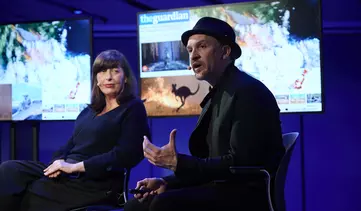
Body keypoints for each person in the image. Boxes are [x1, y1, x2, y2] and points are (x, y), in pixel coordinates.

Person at [123, 17, 285, 211]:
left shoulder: (248, 92)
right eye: (190, 50)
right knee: (135, 206)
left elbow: (240, 164)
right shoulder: (218, 93)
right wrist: (166, 182)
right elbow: (211, 165)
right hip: (222, 187)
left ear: (225, 52)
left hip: (244, 195)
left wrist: (178, 163)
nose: (193, 56)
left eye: (202, 47)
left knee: (163, 204)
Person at [0, 49, 151, 211]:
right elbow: (69, 145)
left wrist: (76, 166)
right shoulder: (89, 111)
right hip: (68, 172)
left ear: (125, 77)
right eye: (102, 71)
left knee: (32, 191)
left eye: (115, 71)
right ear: (96, 79)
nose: (108, 77)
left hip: (96, 182)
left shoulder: (133, 108)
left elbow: (127, 154)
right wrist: (56, 165)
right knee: (9, 170)